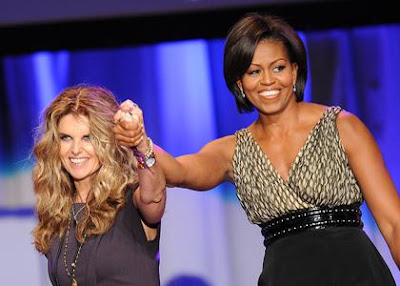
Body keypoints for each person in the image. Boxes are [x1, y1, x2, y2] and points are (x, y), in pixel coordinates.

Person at [114, 12, 400, 285]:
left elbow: (392, 224)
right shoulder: (233, 151)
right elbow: (179, 171)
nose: (268, 81)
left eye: (278, 67)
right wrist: (141, 142)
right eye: (254, 71)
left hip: (356, 273)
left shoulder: (342, 126)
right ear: (240, 83)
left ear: (295, 70)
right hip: (286, 277)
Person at [31, 84, 166, 286]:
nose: (75, 150)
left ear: (107, 140)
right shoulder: (58, 212)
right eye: (66, 138)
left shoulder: (132, 198)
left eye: (88, 138)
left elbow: (154, 197)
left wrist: (141, 145)